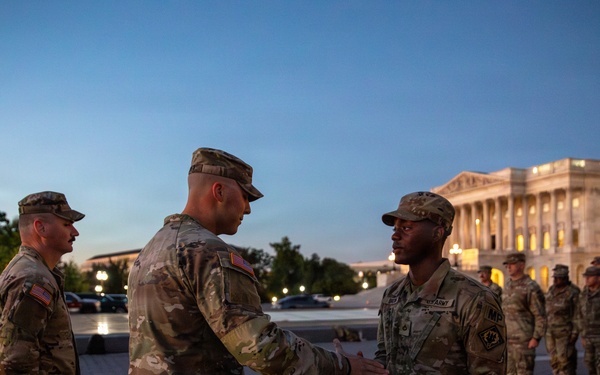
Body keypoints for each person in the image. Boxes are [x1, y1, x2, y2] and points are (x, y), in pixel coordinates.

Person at [128, 147, 388, 375]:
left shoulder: (151, 250)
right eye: (245, 196)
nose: (248, 209)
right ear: (218, 191)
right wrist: (344, 367)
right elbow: (260, 347)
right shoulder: (208, 251)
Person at [373, 191, 506, 374]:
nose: (395, 236)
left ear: (437, 234)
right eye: (395, 229)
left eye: (406, 228)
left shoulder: (474, 299)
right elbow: (384, 354)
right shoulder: (392, 294)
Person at [0, 191, 84, 374]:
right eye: (67, 224)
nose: (75, 232)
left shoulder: (33, 271)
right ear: (41, 228)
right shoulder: (33, 279)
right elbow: (16, 362)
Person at [502, 252, 547, 375]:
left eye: (512, 264)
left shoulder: (531, 287)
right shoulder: (507, 285)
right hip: (507, 341)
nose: (508, 267)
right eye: (507, 265)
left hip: (524, 341)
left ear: (521, 265)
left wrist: (536, 337)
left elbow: (540, 315)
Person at [545, 264, 580, 375]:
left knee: (565, 362)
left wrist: (574, 333)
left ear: (565, 278)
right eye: (554, 278)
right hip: (550, 332)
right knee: (554, 361)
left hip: (565, 332)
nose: (555, 280)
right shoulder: (551, 290)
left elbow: (578, 314)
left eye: (558, 278)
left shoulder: (573, 292)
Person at [578, 266, 600, 375]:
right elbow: (580, 315)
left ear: (598, 278)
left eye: (590, 277)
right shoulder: (584, 294)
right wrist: (583, 335)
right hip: (588, 338)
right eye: (586, 277)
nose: (587, 279)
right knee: (590, 366)